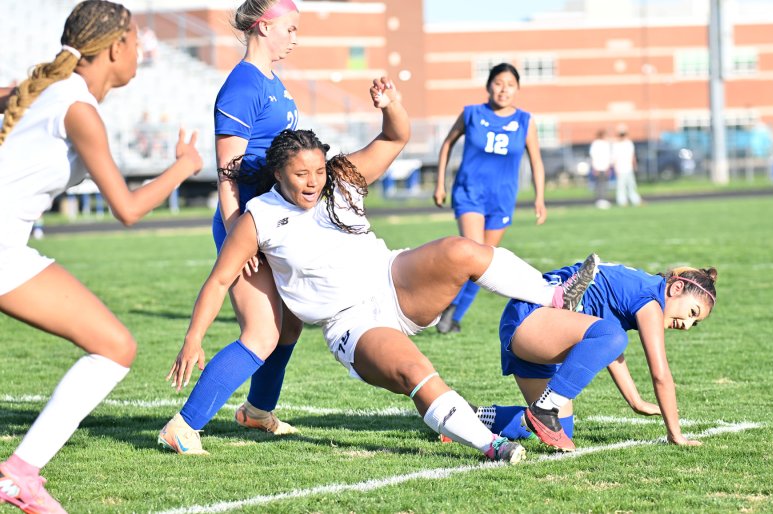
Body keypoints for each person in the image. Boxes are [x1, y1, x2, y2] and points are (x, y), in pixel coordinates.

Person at [165, 77, 599, 465]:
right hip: (350, 323)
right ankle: (491, 445)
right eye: (301, 174)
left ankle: (554, 296)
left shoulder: (341, 177)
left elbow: (396, 137)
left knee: (461, 249)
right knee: (416, 371)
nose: (314, 181)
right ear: (278, 173)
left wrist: (390, 104)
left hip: (393, 280)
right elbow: (219, 279)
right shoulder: (258, 216)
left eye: (318, 170)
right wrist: (193, 338)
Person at [0, 2, 203, 512]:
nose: (140, 52)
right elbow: (129, 210)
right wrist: (185, 167)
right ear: (115, 48)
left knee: (114, 345)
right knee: (115, 346)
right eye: (136, 42)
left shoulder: (51, 93)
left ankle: (21, 475)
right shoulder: (77, 109)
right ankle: (20, 475)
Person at [158, 0, 305, 455]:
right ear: (264, 27)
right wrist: (238, 234)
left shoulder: (272, 82)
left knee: (290, 326)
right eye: (290, 28)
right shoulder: (243, 85)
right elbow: (228, 173)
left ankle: (257, 412)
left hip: (271, 223)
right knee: (261, 333)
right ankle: (183, 425)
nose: (295, 37)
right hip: (245, 226)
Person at [491, 260, 717, 451]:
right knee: (614, 336)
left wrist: (635, 401)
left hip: (539, 325)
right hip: (531, 317)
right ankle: (545, 408)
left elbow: (608, 347)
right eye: (692, 312)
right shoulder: (650, 301)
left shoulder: (644, 289)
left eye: (694, 323)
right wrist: (676, 434)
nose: (687, 325)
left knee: (561, 428)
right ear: (676, 288)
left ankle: (466, 417)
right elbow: (660, 374)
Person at [433, 63, 548, 334]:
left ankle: (453, 316)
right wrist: (440, 184)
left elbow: (536, 161)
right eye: (498, 82)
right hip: (469, 193)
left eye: (510, 84)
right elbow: (447, 143)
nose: (504, 89)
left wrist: (540, 198)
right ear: (488, 86)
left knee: (484, 262)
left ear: (518, 89)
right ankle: (443, 309)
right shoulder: (471, 113)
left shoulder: (525, 121)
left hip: (502, 199)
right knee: (473, 251)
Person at [612, 125, 642, 207]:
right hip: (622, 168)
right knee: (622, 186)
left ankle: (635, 200)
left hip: (627, 168)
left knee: (630, 185)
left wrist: (634, 166)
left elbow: (632, 157)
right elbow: (615, 159)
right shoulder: (618, 144)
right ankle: (623, 202)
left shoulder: (627, 143)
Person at [589, 128, 612, 209]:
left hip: (604, 166)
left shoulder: (605, 144)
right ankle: (600, 200)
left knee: (604, 184)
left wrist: (608, 167)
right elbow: (593, 156)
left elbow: (608, 156)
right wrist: (594, 167)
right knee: (599, 184)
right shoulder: (596, 144)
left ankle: (604, 199)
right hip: (599, 166)